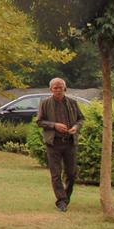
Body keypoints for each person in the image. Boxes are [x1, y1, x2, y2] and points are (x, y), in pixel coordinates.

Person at [36, 78, 85, 212]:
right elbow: (39, 121)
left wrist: (76, 127)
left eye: (60, 87)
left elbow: (82, 118)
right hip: (54, 143)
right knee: (56, 174)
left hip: (70, 143)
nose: (58, 90)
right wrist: (54, 125)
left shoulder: (72, 103)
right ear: (51, 90)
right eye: (55, 88)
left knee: (71, 173)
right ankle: (61, 202)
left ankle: (65, 197)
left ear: (65, 88)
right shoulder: (45, 104)